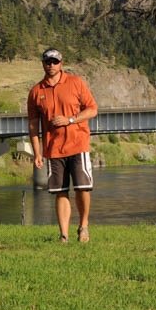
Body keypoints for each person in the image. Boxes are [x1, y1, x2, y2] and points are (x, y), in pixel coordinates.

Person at [27, 48, 98, 243]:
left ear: (61, 63)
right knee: (60, 192)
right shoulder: (36, 92)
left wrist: (70, 120)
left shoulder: (76, 83)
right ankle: (64, 235)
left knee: (83, 188)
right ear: (42, 64)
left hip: (78, 144)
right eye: (47, 61)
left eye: (54, 61)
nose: (51, 65)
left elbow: (92, 110)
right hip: (53, 149)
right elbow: (33, 126)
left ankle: (83, 226)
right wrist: (37, 153)